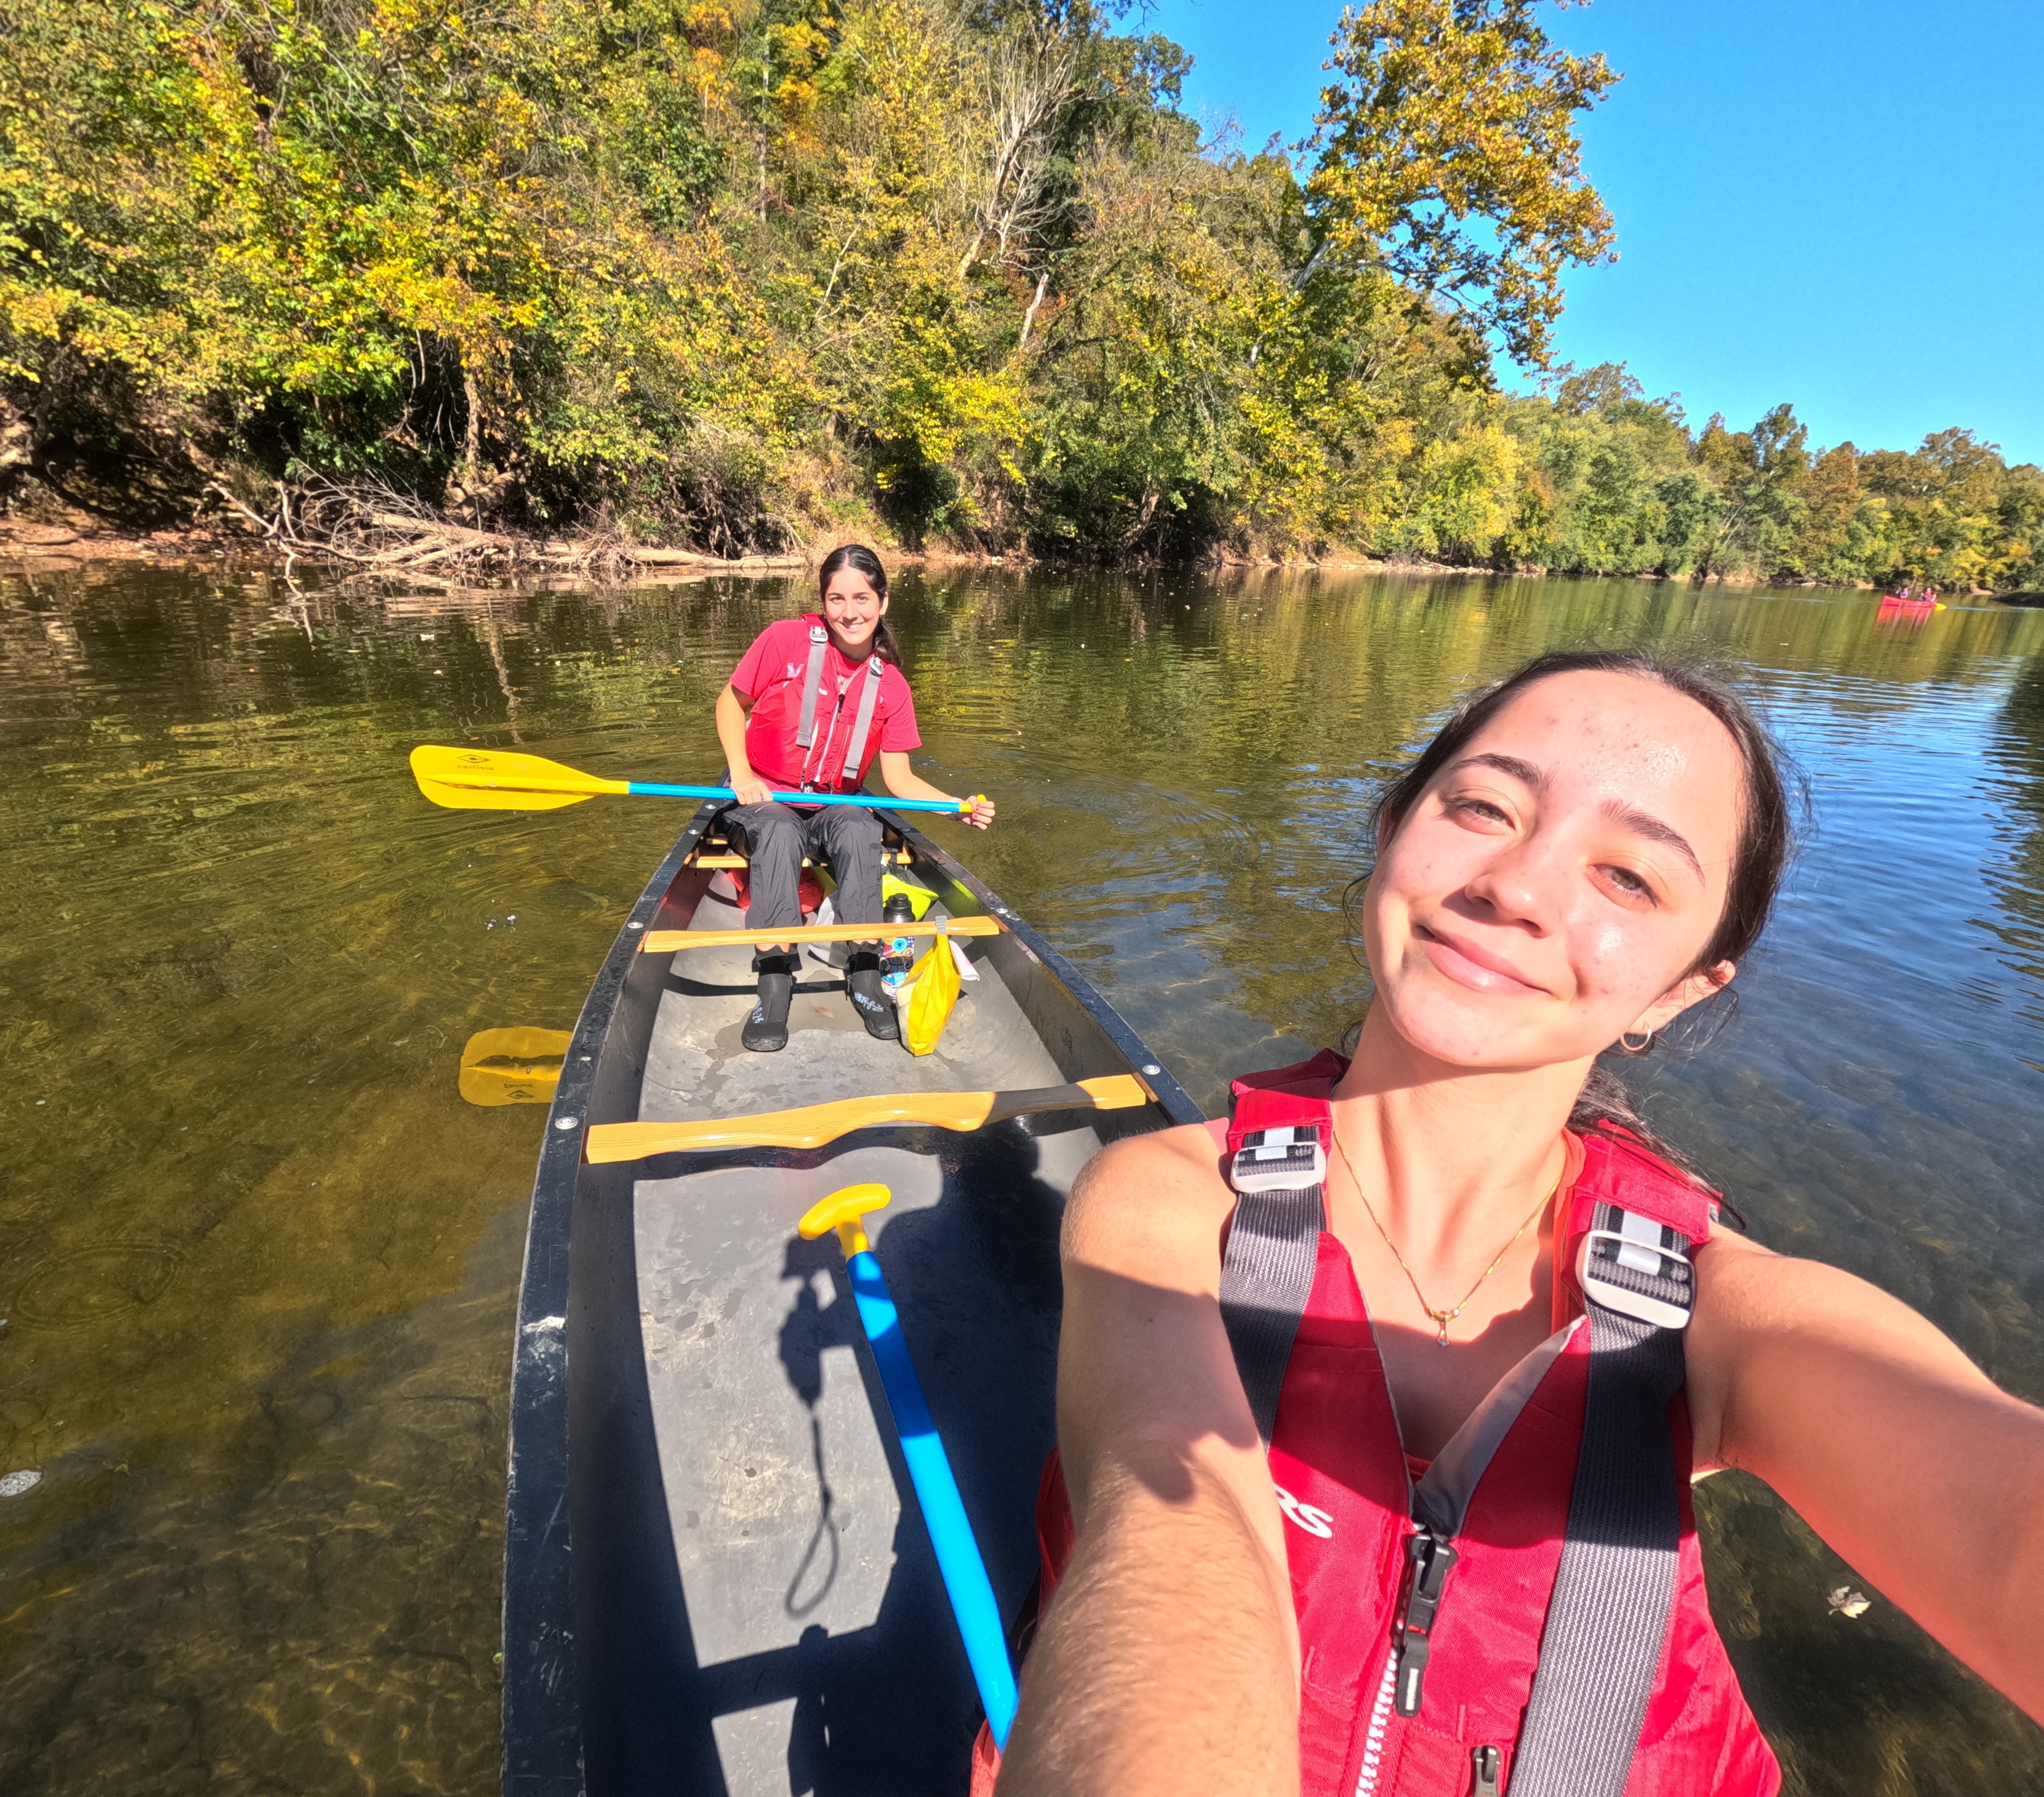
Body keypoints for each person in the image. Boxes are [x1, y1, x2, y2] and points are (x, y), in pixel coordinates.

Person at [992, 651, 2044, 1797]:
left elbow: (2007, 1539)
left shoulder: (1729, 1322)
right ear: (1393, 828)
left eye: (1630, 880)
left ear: (1683, 988)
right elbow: (1175, 1518)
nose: (1522, 888)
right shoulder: (1173, 1205)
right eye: (1484, 806)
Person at [714, 543, 994, 1053]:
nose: (850, 613)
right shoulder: (784, 640)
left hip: (831, 803)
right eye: (836, 599)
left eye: (862, 598)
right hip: (761, 794)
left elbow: (900, 780)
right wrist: (740, 773)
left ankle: (864, 973)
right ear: (823, 602)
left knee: (863, 826)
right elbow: (730, 704)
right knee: (776, 830)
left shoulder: (892, 687)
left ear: (882, 602)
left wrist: (956, 806)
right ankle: (775, 982)